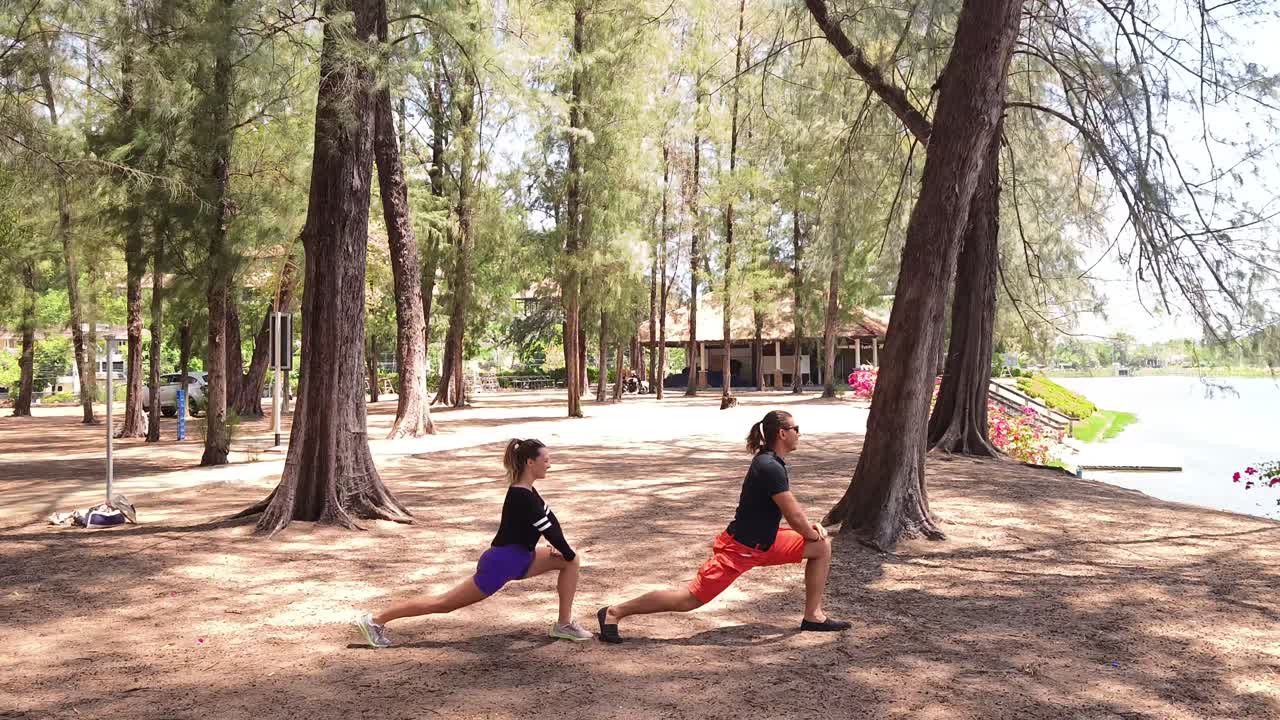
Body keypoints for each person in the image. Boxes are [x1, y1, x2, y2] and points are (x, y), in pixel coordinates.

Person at [596, 410, 850, 643]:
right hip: (741, 549)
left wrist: (812, 532)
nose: (800, 434)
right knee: (689, 599)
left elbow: (792, 512)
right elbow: (793, 515)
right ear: (782, 433)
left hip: (766, 543)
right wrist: (808, 531)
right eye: (797, 428)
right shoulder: (769, 466)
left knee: (821, 547)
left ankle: (813, 616)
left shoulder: (772, 462)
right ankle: (614, 612)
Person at [354, 439, 593, 647]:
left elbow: (550, 519)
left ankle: (563, 624)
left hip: (523, 557)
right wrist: (565, 551)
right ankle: (375, 621)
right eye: (546, 460)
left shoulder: (529, 491)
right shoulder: (520, 496)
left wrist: (567, 552)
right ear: (531, 463)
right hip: (502, 563)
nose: (549, 464)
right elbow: (548, 530)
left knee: (570, 562)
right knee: (444, 603)